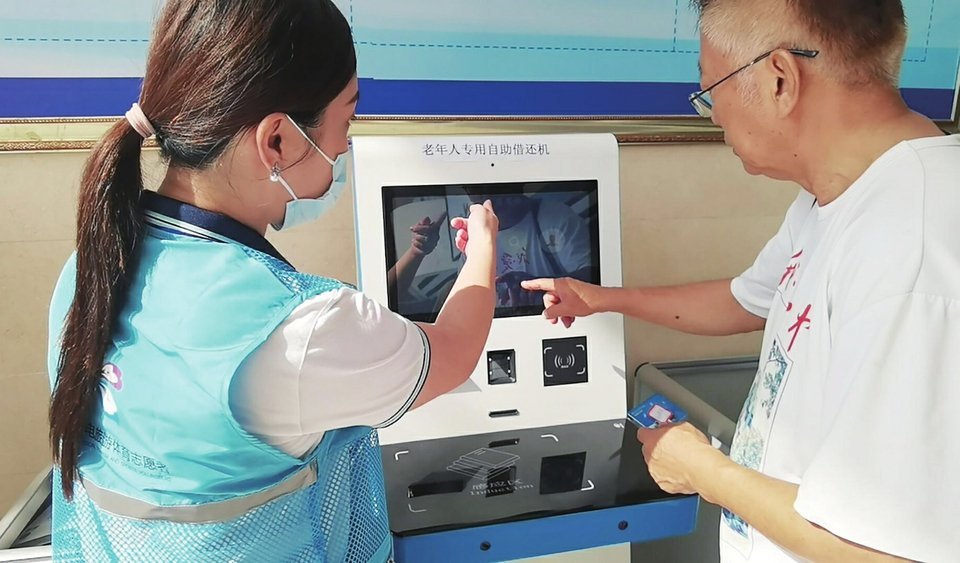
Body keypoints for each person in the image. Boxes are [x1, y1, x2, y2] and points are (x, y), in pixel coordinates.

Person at [45, 1, 498, 562]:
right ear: (277, 140)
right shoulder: (304, 327)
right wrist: (484, 245)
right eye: (346, 121)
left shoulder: (89, 270)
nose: (343, 147)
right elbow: (454, 353)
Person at [522, 0, 959, 561]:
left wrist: (702, 469)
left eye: (712, 90)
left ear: (780, 79)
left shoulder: (913, 248)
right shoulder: (835, 194)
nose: (714, 115)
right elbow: (746, 301)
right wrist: (603, 300)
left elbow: (879, 549)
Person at [390, 189, 593, 310]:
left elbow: (592, 279)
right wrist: (417, 251)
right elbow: (468, 299)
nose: (490, 196)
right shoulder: (476, 232)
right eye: (477, 189)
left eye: (499, 188)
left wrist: (541, 290)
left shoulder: (554, 216)